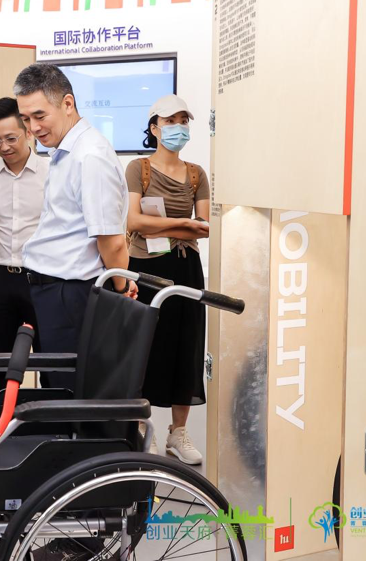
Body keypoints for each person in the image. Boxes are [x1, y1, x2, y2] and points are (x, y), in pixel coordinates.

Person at [14, 63, 136, 393]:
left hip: (72, 295)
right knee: (58, 387)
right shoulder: (65, 151)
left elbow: (111, 241)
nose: (33, 127)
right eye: (26, 119)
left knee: (73, 393)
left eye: (40, 116)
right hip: (56, 293)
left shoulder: (89, 155)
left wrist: (121, 288)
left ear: (67, 103)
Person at [126, 94, 211, 465]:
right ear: (154, 128)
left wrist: (166, 226)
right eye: (170, 121)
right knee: (146, 346)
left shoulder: (196, 174)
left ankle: (179, 432)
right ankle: (143, 428)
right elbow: (134, 222)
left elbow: (205, 227)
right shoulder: (139, 169)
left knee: (186, 345)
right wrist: (182, 224)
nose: (178, 127)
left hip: (186, 267)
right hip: (146, 267)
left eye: (183, 121)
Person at [0, 97, 48, 394]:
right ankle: (3, 419)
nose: (4, 146)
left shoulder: (52, 174)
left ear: (28, 131)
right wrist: (5, 258)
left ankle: (52, 420)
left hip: (44, 279)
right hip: (1, 280)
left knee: (51, 361)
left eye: (11, 138)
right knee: (1, 362)